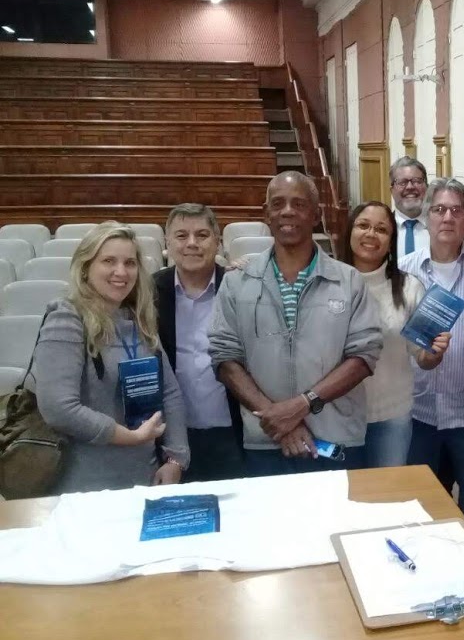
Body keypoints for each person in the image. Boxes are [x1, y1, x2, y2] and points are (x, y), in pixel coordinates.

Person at [209, 171, 382, 474]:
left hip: (336, 439)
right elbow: (225, 358)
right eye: (278, 204)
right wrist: (277, 419)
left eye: (299, 204)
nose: (287, 211)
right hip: (265, 441)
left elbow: (363, 356)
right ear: (267, 214)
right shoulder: (237, 282)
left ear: (316, 215)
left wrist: (302, 404)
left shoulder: (349, 281)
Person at [34, 222, 189, 493]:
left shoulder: (139, 320)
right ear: (85, 267)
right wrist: (130, 437)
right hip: (84, 486)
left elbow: (170, 393)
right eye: (108, 261)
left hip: (145, 477)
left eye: (130, 263)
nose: (121, 271)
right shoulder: (66, 319)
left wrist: (176, 458)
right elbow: (58, 408)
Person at [399, 178, 464, 541]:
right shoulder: (404, 270)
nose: (447, 217)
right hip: (418, 412)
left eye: (456, 210)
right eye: (439, 209)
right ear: (426, 217)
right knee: (422, 507)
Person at [338, 200, 449, 467]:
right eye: (363, 226)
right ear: (350, 231)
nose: (371, 234)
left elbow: (423, 357)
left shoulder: (409, 287)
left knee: (387, 491)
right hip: (337, 414)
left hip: (391, 416)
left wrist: (435, 352)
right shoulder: (329, 282)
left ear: (391, 242)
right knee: (343, 490)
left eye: (381, 229)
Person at [155, 203, 245, 482]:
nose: (192, 243)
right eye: (181, 235)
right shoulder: (148, 292)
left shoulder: (240, 287)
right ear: (167, 243)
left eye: (202, 235)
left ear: (218, 242)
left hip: (234, 431)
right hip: (170, 436)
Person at [390, 156, 429, 256]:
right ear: (392, 190)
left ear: (427, 187)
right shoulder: (383, 228)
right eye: (402, 182)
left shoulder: (444, 226)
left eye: (417, 181)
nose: (410, 187)